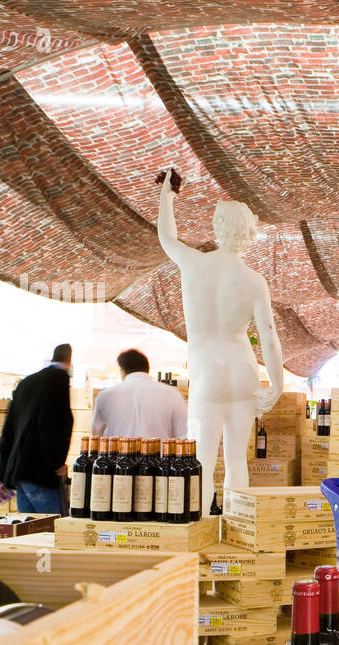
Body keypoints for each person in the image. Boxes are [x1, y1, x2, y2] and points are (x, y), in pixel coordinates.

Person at [157, 168, 284, 510]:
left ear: (216, 228)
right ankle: (236, 529)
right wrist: (277, 384)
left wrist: (167, 196)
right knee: (237, 460)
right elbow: (269, 336)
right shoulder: (255, 281)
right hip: (244, 368)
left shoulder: (194, 265)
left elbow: (167, 237)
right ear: (248, 234)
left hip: (207, 371)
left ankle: (202, 530)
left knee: (201, 459)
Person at [0, 344, 74, 514]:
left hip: (19, 473)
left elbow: (8, 430)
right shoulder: (58, 379)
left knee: (29, 532)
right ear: (69, 359)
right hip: (41, 472)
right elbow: (53, 425)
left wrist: (2, 473)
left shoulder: (27, 381)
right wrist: (57, 463)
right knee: (54, 531)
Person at [92, 349, 187, 440]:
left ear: (122, 371)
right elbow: (183, 435)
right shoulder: (172, 394)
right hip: (159, 456)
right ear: (147, 369)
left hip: (116, 455)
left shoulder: (106, 395)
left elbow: (96, 434)